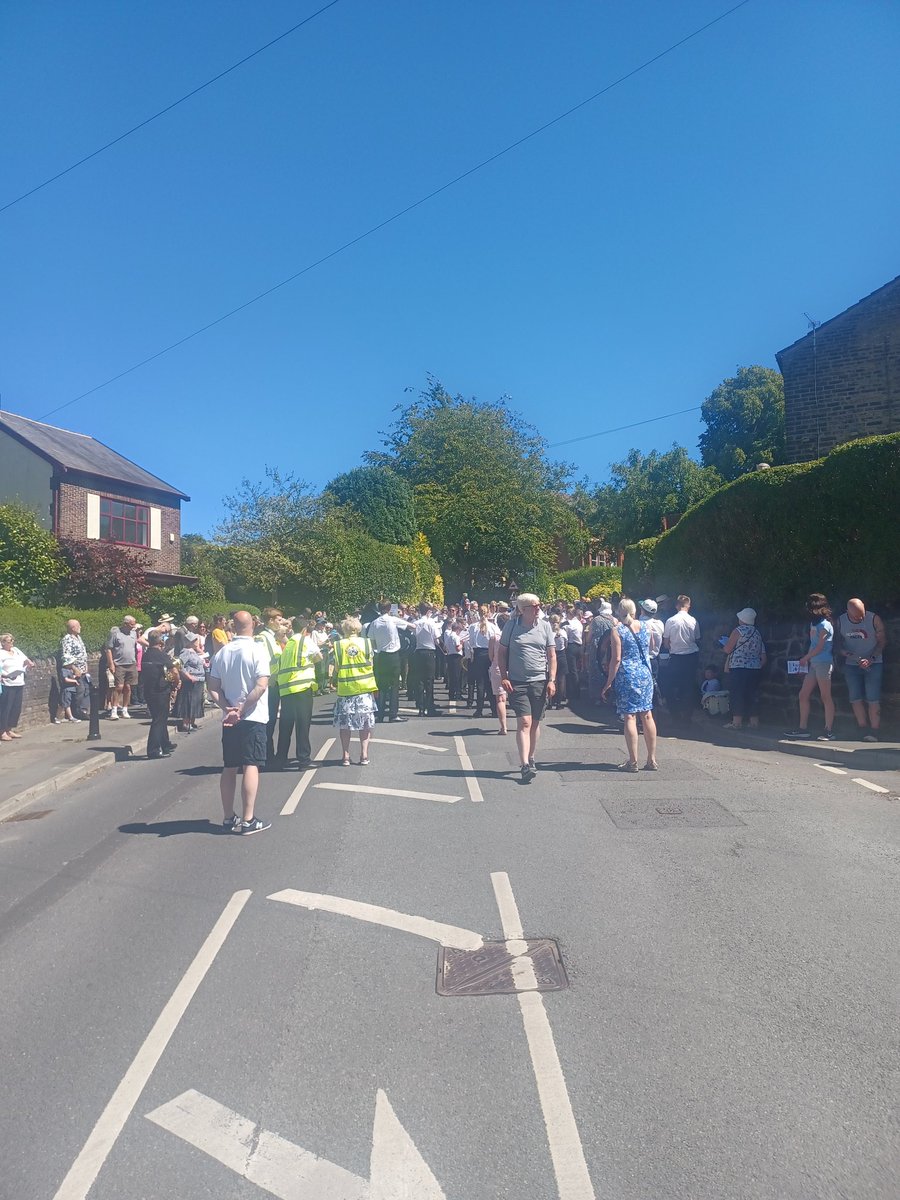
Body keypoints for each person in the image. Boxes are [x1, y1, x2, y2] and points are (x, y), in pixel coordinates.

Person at [208, 610, 272, 835]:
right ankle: (248, 819)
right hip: (252, 716)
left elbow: (213, 688)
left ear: (233, 627)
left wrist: (228, 708)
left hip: (230, 719)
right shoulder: (258, 650)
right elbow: (261, 685)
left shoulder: (222, 653)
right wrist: (242, 708)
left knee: (229, 766)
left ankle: (228, 817)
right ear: (253, 625)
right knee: (251, 764)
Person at [497, 593, 557, 783]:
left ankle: (531, 757)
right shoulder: (511, 626)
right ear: (523, 610)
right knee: (524, 722)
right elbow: (502, 652)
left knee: (535, 723)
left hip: (540, 680)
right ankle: (524, 765)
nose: (539, 608)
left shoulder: (545, 626)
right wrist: (504, 677)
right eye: (534, 606)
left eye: (539, 605)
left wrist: (551, 680)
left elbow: (552, 655)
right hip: (518, 681)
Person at [602, 599, 658, 772]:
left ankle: (633, 761)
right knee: (647, 715)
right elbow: (652, 648)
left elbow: (616, 659)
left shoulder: (617, 631)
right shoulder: (646, 627)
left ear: (619, 611)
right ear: (635, 611)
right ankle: (651, 759)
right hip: (645, 674)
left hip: (627, 675)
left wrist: (608, 683)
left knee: (630, 717)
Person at [273, 616, 323, 768]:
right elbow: (319, 657)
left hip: (286, 688)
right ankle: (303, 759)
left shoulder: (288, 644)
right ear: (304, 629)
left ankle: (280, 758)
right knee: (302, 725)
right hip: (302, 687)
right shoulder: (305, 640)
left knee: (286, 725)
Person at [785, 592, 836, 741]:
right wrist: (808, 659)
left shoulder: (826, 624)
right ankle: (803, 728)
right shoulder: (813, 623)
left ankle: (828, 730)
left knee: (825, 696)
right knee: (803, 694)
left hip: (823, 662)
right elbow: (814, 645)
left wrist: (805, 658)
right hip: (814, 663)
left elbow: (820, 646)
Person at [838, 598, 886, 741]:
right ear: (848, 612)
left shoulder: (874, 619)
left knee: (873, 698)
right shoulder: (840, 622)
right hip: (851, 664)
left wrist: (871, 658)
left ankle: (874, 731)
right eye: (856, 617)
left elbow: (882, 641)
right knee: (855, 698)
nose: (860, 618)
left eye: (862, 614)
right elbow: (836, 645)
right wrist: (847, 654)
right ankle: (862, 729)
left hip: (874, 663)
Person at [332, 616, 378, 765]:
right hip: (364, 688)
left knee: (345, 725)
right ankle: (364, 754)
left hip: (346, 689)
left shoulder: (338, 645)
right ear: (358, 629)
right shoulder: (366, 643)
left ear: (344, 629)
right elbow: (371, 664)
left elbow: (337, 667)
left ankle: (345, 755)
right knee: (365, 724)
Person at [720, 607, 766, 729]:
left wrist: (723, 645)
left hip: (738, 667)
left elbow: (728, 649)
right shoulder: (757, 633)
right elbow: (763, 656)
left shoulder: (738, 631)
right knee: (752, 694)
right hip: (755, 668)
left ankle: (737, 722)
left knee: (737, 693)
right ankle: (754, 721)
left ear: (742, 619)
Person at [368, 601, 413, 723]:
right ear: (389, 609)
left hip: (381, 656)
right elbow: (411, 626)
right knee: (394, 686)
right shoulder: (392, 620)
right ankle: (393, 714)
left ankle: (380, 714)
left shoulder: (374, 623)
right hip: (393, 655)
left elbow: (371, 641)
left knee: (381, 685)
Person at [662, 595, 701, 723]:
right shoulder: (694, 620)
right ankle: (687, 716)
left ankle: (675, 714)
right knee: (688, 686)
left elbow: (666, 642)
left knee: (670, 686)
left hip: (676, 657)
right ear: (688, 605)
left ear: (677, 606)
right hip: (691, 656)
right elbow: (696, 638)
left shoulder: (670, 621)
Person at [140, 631, 178, 759]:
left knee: (161, 718)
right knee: (158, 720)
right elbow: (174, 671)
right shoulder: (162, 655)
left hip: (148, 690)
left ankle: (165, 743)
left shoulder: (145, 655)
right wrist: (176, 683)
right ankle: (153, 750)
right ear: (160, 641)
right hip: (161, 691)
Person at [254, 606, 284, 763]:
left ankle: (268, 754)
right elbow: (263, 661)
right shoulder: (263, 637)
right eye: (278, 620)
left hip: (275, 684)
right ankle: (264, 755)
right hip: (268, 685)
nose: (281, 622)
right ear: (270, 620)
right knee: (267, 721)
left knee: (271, 720)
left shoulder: (273, 637)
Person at [467, 605, 501, 719]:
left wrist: (470, 656)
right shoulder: (493, 627)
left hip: (477, 655)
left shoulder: (472, 627)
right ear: (488, 613)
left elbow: (470, 643)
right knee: (491, 683)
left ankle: (479, 709)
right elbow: (497, 641)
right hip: (489, 654)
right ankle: (494, 709)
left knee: (480, 683)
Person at [0, 633, 35, 740]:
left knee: (16, 708)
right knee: (6, 708)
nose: (12, 643)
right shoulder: (1, 653)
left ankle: (9, 729)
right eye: (9, 641)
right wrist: (6, 675)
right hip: (7, 683)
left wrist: (29, 663)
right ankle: (2, 732)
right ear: (3, 642)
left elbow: (25, 660)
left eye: (12, 640)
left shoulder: (16, 650)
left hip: (19, 682)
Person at [105, 614, 139, 719]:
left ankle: (125, 709)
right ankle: (114, 710)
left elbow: (134, 648)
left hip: (131, 663)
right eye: (131, 625)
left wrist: (136, 661)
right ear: (125, 624)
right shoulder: (115, 633)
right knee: (119, 686)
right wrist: (111, 663)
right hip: (119, 664)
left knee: (128, 687)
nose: (133, 627)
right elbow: (108, 649)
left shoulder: (134, 633)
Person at [413, 603, 443, 716]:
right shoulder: (431, 623)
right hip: (429, 652)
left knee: (420, 681)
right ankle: (430, 707)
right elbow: (437, 640)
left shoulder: (416, 623)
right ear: (428, 611)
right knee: (429, 681)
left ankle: (420, 708)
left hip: (418, 651)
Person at [173, 632, 206, 732]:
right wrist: (188, 676)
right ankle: (186, 723)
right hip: (191, 680)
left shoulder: (194, 651)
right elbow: (179, 665)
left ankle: (192, 722)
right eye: (194, 640)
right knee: (189, 701)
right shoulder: (185, 652)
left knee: (196, 702)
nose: (196, 642)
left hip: (199, 679)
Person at [57, 618, 89, 722]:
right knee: (80, 691)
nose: (81, 627)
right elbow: (66, 657)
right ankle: (77, 712)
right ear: (73, 627)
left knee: (85, 691)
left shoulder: (78, 637)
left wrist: (86, 665)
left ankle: (83, 711)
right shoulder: (67, 639)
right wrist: (74, 669)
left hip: (83, 670)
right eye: (79, 626)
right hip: (75, 672)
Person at [488, 612, 510, 733]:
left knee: (500, 699)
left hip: (497, 668)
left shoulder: (494, 637)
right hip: (513, 668)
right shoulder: (513, 636)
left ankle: (503, 727)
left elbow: (491, 656)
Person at [443, 621, 464, 702]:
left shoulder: (448, 636)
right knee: (457, 676)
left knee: (451, 676)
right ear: (458, 629)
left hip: (450, 656)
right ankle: (457, 694)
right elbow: (458, 648)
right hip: (456, 656)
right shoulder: (456, 637)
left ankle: (451, 694)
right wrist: (462, 644)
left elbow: (445, 647)